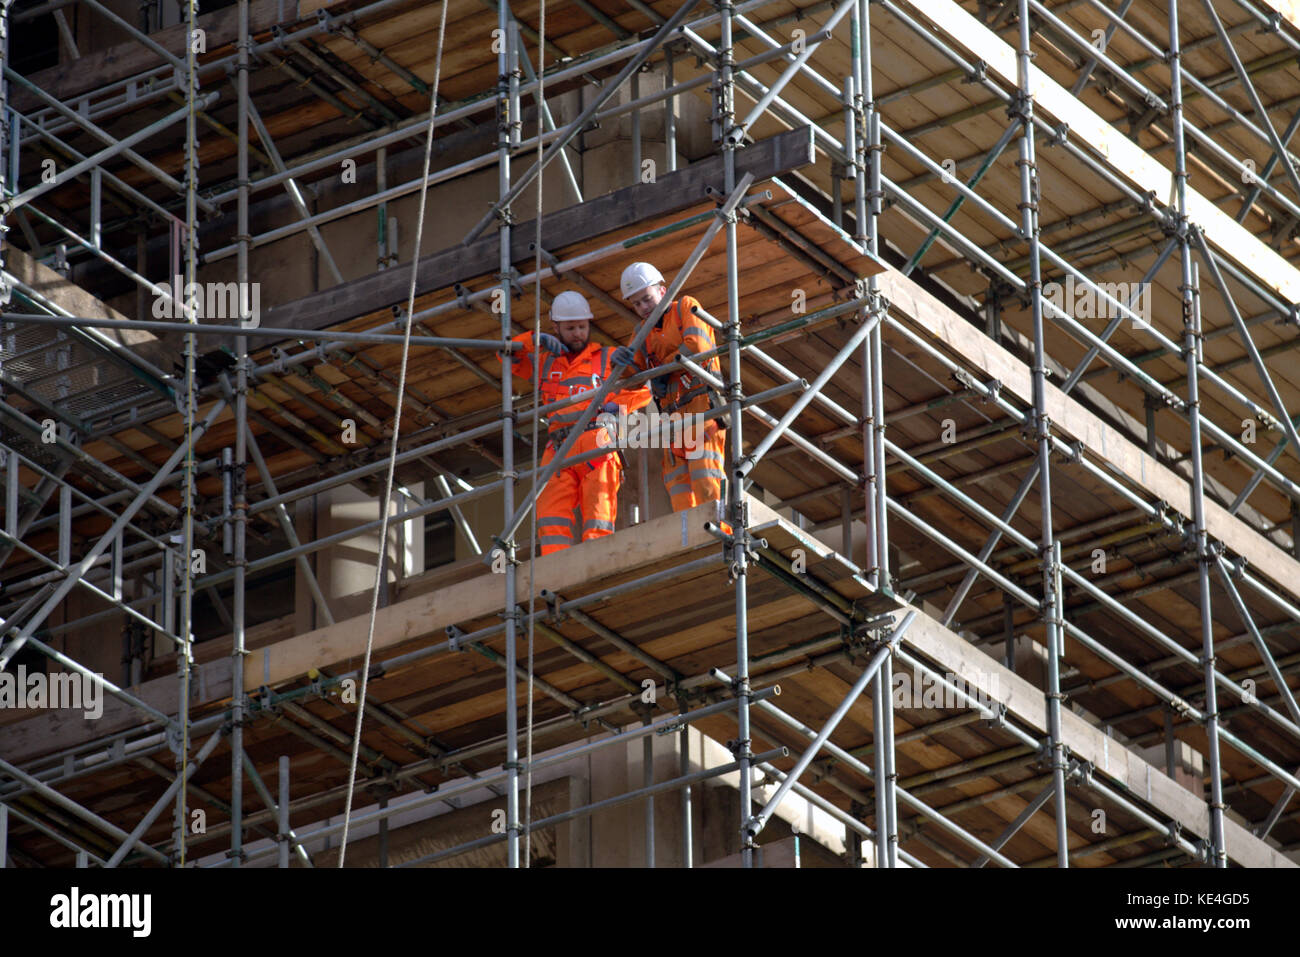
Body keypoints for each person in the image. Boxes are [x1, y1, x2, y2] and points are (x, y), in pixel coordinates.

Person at [502, 290, 649, 555]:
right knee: (550, 512)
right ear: (555, 327)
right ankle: (555, 566)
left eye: (582, 327)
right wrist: (534, 340)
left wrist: (620, 405)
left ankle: (598, 559)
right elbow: (505, 355)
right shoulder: (545, 361)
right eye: (570, 328)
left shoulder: (607, 357)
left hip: (596, 439)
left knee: (599, 506)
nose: (578, 333)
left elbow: (647, 386)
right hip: (559, 445)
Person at [612, 262, 726, 511]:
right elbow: (634, 379)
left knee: (706, 479)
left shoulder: (684, 307)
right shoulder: (643, 331)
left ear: (662, 291)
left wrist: (662, 369)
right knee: (678, 487)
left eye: (647, 298)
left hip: (701, 410)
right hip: (672, 419)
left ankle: (722, 535)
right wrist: (620, 364)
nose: (643, 307)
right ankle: (691, 543)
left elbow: (696, 346)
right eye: (636, 303)